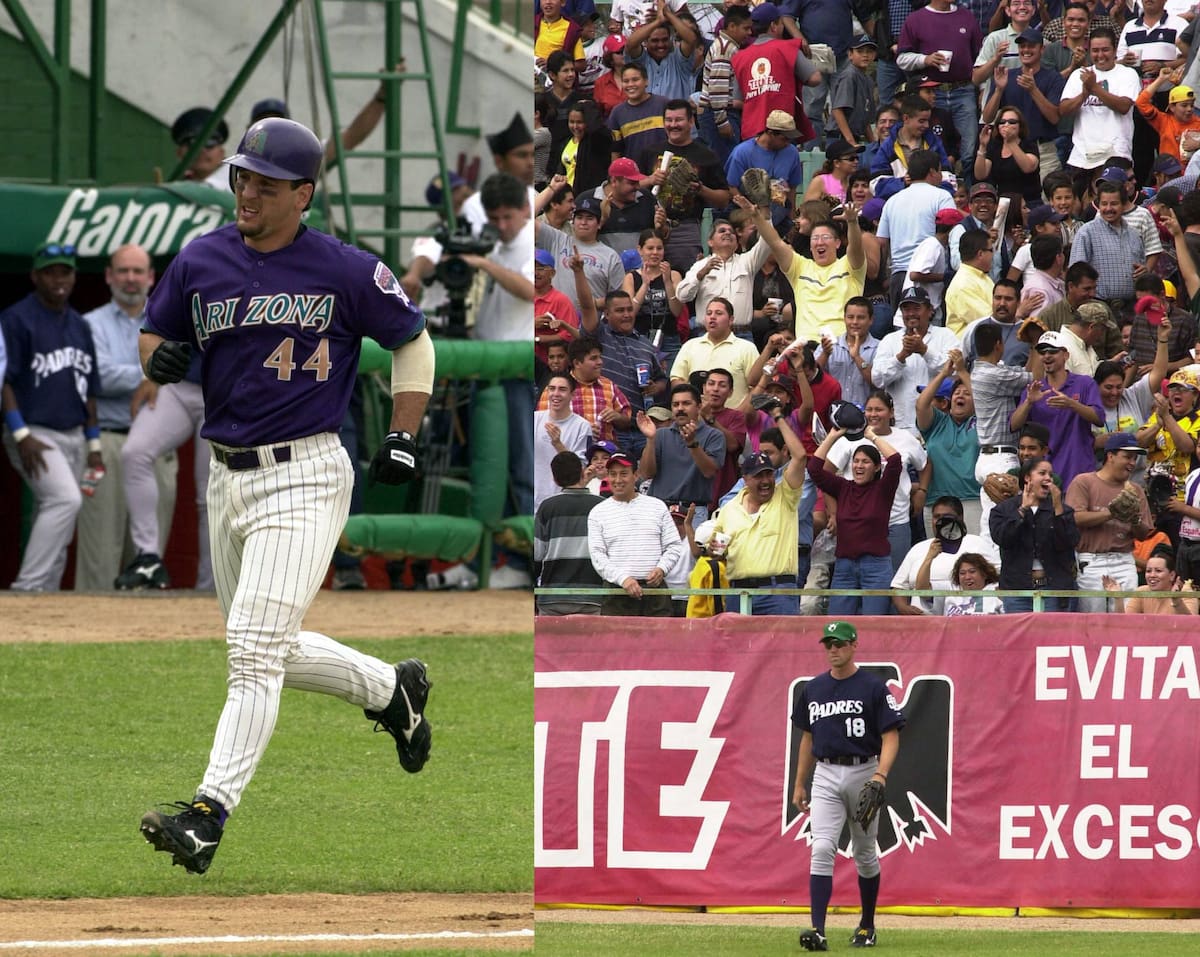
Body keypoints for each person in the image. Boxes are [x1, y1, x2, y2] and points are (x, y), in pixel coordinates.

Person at [136, 117, 435, 874]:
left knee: (251, 651)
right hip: (225, 476)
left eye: (265, 184)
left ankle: (207, 814)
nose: (247, 192)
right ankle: (390, 691)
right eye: (242, 178)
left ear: (303, 194)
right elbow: (154, 333)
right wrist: (161, 355)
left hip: (303, 472)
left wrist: (403, 431)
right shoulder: (201, 258)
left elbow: (412, 337)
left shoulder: (342, 268)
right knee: (265, 645)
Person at [792, 620, 904, 953]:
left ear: (854, 645)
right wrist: (799, 783)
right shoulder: (813, 689)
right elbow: (807, 737)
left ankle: (867, 925)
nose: (833, 649)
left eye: (839, 643)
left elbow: (891, 736)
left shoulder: (872, 687)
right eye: (828, 644)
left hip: (863, 770)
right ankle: (818, 929)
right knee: (822, 847)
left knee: (865, 854)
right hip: (826, 773)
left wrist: (880, 775)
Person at [74, 244, 178, 591]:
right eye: (123, 271)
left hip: (156, 443)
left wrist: (160, 373)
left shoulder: (168, 320)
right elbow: (97, 377)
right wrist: (153, 374)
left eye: (138, 272)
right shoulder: (90, 324)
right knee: (100, 549)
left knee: (149, 554)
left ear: (151, 277)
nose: (131, 279)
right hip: (107, 440)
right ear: (108, 276)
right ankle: (87, 634)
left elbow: (183, 372)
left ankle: (144, 636)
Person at [1, 242, 101, 592]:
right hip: (35, 432)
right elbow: (4, 381)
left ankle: (49, 606)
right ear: (35, 276)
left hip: (75, 432)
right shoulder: (15, 319)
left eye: (65, 271)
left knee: (62, 516)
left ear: (74, 276)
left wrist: (94, 442)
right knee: (64, 500)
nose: (58, 279)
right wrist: (20, 434)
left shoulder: (79, 325)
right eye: (50, 272)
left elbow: (89, 388)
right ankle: (27, 589)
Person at [713, 409, 808, 615]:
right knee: (739, 648)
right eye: (758, 476)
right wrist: (711, 549)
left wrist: (778, 417)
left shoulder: (785, 497)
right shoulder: (729, 510)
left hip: (778, 593)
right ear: (745, 480)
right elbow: (717, 550)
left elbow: (800, 456)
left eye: (769, 474)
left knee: (780, 647)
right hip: (738, 593)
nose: (765, 481)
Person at [826, 388, 927, 572]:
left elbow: (926, 465)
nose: (873, 414)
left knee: (896, 582)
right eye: (869, 409)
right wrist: (834, 513)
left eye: (878, 409)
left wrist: (922, 491)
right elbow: (826, 474)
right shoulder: (850, 439)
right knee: (858, 581)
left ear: (891, 412)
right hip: (857, 524)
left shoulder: (906, 438)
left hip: (896, 523)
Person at [808, 422, 904, 615]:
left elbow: (895, 460)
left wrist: (872, 437)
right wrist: (833, 436)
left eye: (865, 462)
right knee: (838, 623)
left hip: (876, 566)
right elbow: (814, 469)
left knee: (873, 623)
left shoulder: (883, 489)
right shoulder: (843, 487)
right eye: (856, 461)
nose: (859, 465)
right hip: (844, 565)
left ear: (876, 467)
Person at [587, 450, 687, 615]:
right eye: (613, 474)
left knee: (658, 639)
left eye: (624, 474)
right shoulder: (598, 512)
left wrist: (662, 569)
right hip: (617, 593)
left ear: (636, 475)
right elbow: (597, 555)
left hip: (655, 591)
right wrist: (623, 579)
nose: (618, 480)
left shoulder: (657, 506)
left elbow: (674, 545)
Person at [1066, 432, 1154, 611]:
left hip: (1124, 559)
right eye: (1127, 457)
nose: (1132, 463)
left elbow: (1144, 533)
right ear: (1110, 456)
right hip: (1091, 558)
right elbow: (1075, 518)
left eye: (1135, 458)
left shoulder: (1135, 490)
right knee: (1092, 619)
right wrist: (1112, 513)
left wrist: (1133, 519)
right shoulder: (1084, 481)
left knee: (1126, 620)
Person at [1010, 330, 1106, 489]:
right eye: (1042, 352)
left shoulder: (1084, 383)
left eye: (1053, 351)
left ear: (1065, 355)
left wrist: (1071, 404)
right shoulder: (1035, 389)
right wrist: (1028, 402)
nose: (1047, 356)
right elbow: (1014, 425)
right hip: (1045, 473)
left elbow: (1099, 418)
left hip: (1079, 468)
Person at [895, 0, 985, 169]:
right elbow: (901, 58)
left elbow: (980, 57)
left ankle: (968, 190)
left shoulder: (966, 16)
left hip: (964, 89)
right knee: (935, 145)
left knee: (969, 147)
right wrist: (925, 59)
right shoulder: (916, 19)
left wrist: (982, 89)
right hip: (930, 93)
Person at [989, 456, 1081, 612]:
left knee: (1053, 635)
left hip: (1054, 589)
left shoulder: (1062, 509)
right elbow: (1003, 538)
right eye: (1042, 473)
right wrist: (1022, 510)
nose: (1048, 478)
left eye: (1050, 475)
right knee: (1021, 636)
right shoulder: (1003, 510)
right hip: (1017, 589)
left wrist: (1058, 508)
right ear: (1027, 478)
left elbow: (1069, 542)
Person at [871, 286, 961, 437]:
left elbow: (956, 370)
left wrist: (924, 351)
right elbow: (877, 379)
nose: (911, 313)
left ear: (930, 310)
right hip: (901, 428)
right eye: (906, 309)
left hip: (939, 427)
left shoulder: (946, 336)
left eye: (916, 308)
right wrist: (901, 356)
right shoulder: (889, 340)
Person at [893, 496, 1001, 614]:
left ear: (960, 518)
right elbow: (898, 586)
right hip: (921, 617)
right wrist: (903, 608)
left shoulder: (977, 543)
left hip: (966, 614)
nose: (940, 521)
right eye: (936, 517)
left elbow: (998, 577)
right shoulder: (918, 548)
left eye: (946, 517)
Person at [636, 382, 725, 524]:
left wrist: (692, 444)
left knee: (691, 547)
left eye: (686, 403)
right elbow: (646, 473)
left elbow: (709, 471)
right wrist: (651, 439)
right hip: (660, 509)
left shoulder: (714, 435)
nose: (680, 408)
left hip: (693, 511)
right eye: (675, 404)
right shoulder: (660, 434)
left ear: (699, 406)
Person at [875, 151, 956, 306]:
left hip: (898, 276)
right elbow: (951, 233)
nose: (941, 176)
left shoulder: (892, 201)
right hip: (929, 276)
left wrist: (884, 279)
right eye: (939, 171)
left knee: (901, 329)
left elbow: (882, 243)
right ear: (932, 172)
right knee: (930, 328)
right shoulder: (942, 196)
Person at [535, 450, 606, 615]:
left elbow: (537, 554)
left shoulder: (547, 507)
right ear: (582, 472)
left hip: (552, 596)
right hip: (592, 597)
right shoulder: (602, 506)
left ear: (555, 479)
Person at [1058, 27, 1140, 172]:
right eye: (1095, 50)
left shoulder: (1128, 74)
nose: (1100, 55)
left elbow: (1124, 107)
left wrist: (1094, 88)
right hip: (1082, 156)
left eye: (1105, 50)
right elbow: (1063, 110)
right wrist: (1084, 94)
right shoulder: (1079, 74)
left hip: (1116, 153)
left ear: (1115, 51)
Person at [669, 296, 762, 406]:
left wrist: (741, 413)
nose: (712, 317)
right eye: (709, 313)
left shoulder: (747, 348)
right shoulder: (690, 345)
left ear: (731, 320)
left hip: (735, 418)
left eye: (718, 313)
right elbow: (676, 380)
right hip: (697, 419)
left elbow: (756, 386)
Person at [534, 374, 591, 513]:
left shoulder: (582, 426)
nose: (556, 394)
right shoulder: (535, 419)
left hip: (563, 503)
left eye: (562, 389)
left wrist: (558, 444)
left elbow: (580, 470)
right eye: (552, 389)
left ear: (572, 394)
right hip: (534, 501)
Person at [973, 105, 1042, 205]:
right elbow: (980, 175)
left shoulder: (1028, 144)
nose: (1006, 125)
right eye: (1002, 122)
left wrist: (1010, 142)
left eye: (1012, 122)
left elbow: (1028, 167)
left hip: (1029, 202)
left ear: (1020, 126)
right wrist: (983, 146)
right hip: (1004, 203)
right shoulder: (995, 147)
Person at [1105, 547, 1198, 613]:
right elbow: (1124, 624)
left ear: (1172, 575)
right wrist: (1118, 598)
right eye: (1148, 571)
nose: (1152, 575)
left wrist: (1176, 600)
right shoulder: (1141, 592)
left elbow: (1190, 625)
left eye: (1158, 571)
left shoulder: (1186, 593)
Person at [945, 230, 997, 337]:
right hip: (969, 350)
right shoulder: (963, 285)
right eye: (991, 250)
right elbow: (987, 323)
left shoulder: (981, 276)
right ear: (980, 254)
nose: (993, 255)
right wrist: (1020, 312)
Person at [927, 550, 1005, 615]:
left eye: (972, 571)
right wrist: (929, 558)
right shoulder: (951, 588)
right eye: (962, 573)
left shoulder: (997, 590)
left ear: (984, 574)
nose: (967, 577)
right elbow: (923, 588)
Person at [170, 107, 230, 188]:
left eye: (210, 142)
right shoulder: (174, 188)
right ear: (179, 153)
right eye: (193, 143)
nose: (202, 150)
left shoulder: (242, 186)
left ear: (221, 152)